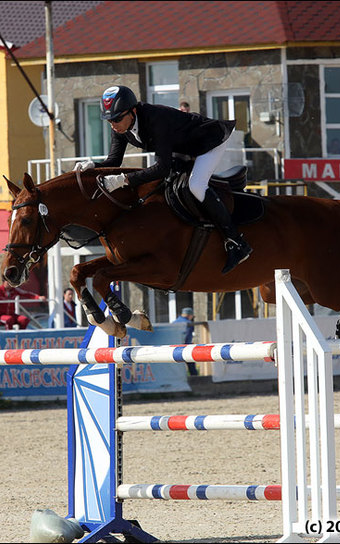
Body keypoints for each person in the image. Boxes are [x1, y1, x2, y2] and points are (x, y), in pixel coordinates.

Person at [73, 85, 252, 274]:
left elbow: (161, 168)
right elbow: (114, 161)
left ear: (132, 112)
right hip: (183, 148)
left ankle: (236, 242)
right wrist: (93, 166)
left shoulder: (156, 119)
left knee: (196, 185)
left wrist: (124, 180)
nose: (113, 124)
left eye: (116, 119)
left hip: (209, 141)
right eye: (109, 120)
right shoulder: (120, 128)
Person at [172, 306, 198, 376]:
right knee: (191, 365)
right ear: (189, 315)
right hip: (185, 347)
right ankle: (195, 380)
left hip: (174, 348)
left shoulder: (174, 322)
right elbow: (187, 337)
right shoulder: (188, 323)